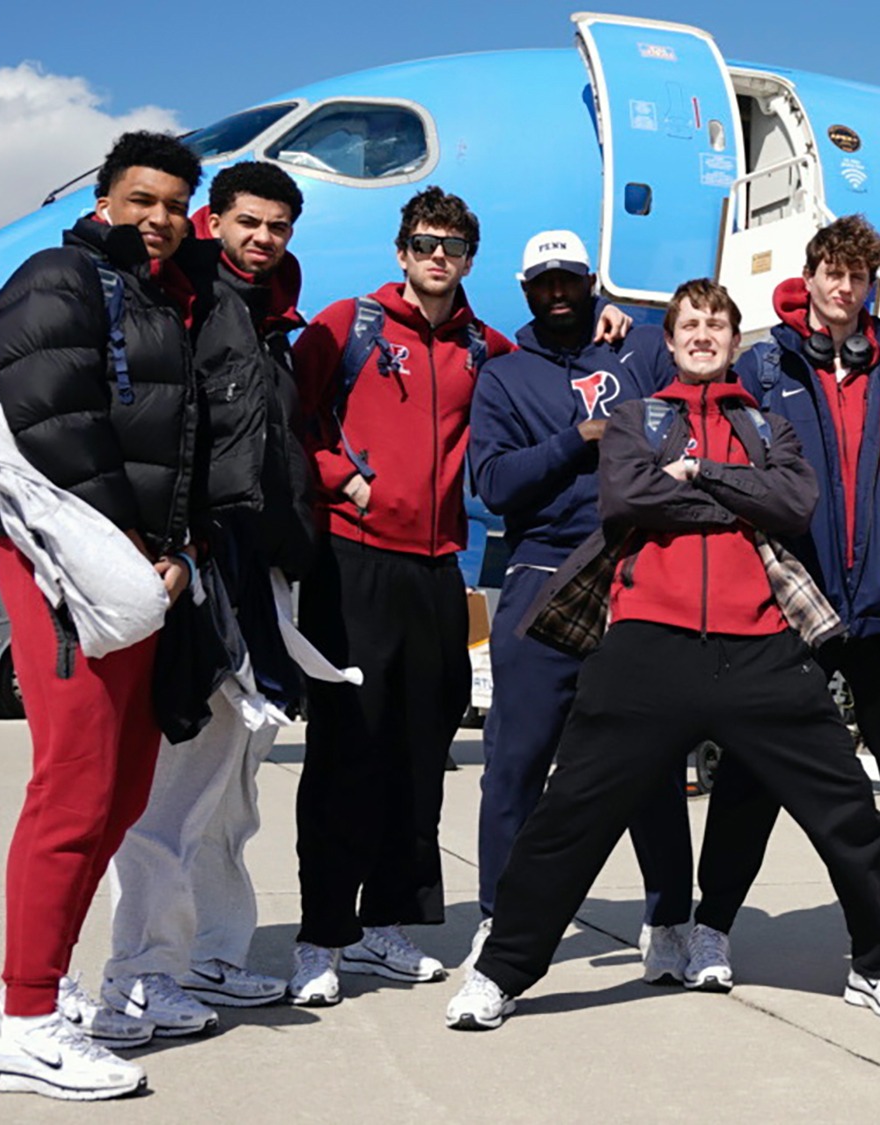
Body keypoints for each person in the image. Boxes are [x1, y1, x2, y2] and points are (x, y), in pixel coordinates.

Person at [445, 279, 880, 1028]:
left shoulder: (770, 426)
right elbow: (629, 500)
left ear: (737, 340)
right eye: (690, 324)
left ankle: (875, 962)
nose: (703, 334)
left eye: (717, 324)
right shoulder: (636, 417)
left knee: (845, 810)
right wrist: (740, 494)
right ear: (668, 342)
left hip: (762, 645)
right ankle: (503, 969)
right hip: (647, 643)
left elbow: (793, 503)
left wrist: (701, 474)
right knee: (569, 814)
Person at [0, 130, 211, 1101]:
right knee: (72, 791)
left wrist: (169, 550)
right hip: (71, 565)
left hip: (129, 570)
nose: (157, 218)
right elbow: (53, 417)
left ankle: (44, 989)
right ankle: (22, 1022)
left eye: (172, 203)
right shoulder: (61, 276)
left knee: (117, 795)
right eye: (141, 199)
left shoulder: (151, 295)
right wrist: (132, 550)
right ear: (105, 198)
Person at [100, 161, 319, 1036]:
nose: (262, 238)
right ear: (214, 222)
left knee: (233, 785)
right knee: (175, 787)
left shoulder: (263, 317)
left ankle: (213, 954)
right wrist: (175, 546)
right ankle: (141, 973)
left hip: (253, 563)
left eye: (278, 226)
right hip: (200, 564)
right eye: (248, 222)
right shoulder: (186, 300)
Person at [288, 187, 512, 1005]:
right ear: (401, 250)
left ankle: (386, 921)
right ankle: (321, 934)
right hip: (354, 560)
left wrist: (607, 322)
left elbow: (557, 387)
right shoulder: (349, 326)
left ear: (468, 256)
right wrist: (341, 479)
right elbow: (294, 418)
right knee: (348, 745)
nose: (437, 256)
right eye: (424, 241)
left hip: (438, 568)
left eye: (452, 244)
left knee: (422, 751)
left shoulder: (487, 348)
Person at [682, 215, 880, 990]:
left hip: (879, 605)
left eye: (858, 276)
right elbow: (687, 382)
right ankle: (711, 927)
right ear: (809, 276)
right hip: (794, 605)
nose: (844, 289)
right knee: (751, 776)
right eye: (832, 273)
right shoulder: (762, 365)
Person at [465, 228, 692, 981]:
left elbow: (695, 375)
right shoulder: (504, 375)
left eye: (572, 279)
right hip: (542, 572)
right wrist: (577, 438)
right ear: (525, 288)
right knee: (516, 758)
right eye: (544, 281)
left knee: (649, 760)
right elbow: (493, 485)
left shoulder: (638, 349)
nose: (559, 292)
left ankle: (669, 920)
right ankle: (500, 919)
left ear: (591, 281)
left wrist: (629, 316)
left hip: (634, 568)